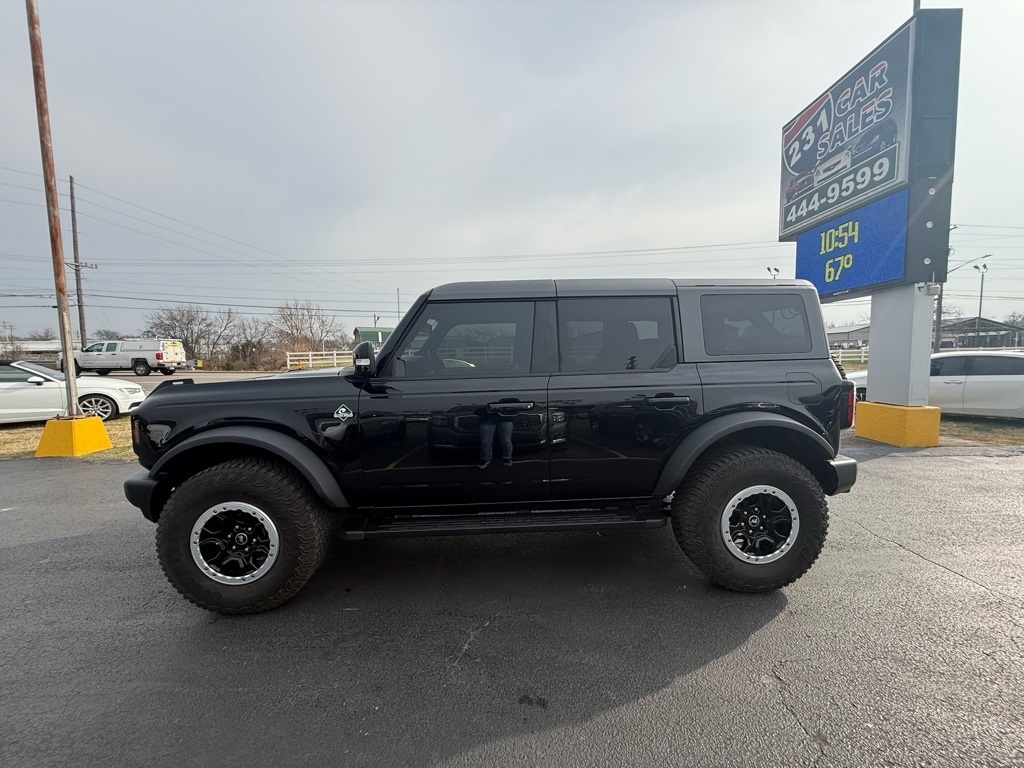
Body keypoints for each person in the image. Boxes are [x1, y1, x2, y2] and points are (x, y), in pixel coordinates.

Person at [477, 400, 516, 468]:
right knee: (486, 441)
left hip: (504, 418)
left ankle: (507, 458)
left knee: (506, 440)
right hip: (489, 418)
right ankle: (486, 459)